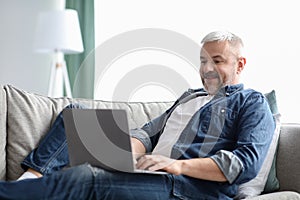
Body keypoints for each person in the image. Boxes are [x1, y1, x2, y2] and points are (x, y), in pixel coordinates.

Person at [0, 31, 275, 200]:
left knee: (85, 177)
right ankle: (29, 180)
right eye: (203, 61)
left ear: (240, 64)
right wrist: (120, 154)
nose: (206, 69)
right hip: (150, 170)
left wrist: (175, 165)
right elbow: (148, 133)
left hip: (187, 188)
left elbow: (245, 163)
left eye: (216, 60)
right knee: (77, 116)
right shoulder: (190, 97)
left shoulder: (251, 102)